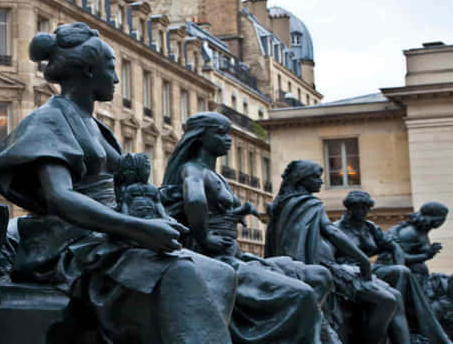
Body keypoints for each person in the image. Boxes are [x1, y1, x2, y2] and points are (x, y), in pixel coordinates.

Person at [0, 23, 237, 344]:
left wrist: (149, 222)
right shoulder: (47, 120)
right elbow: (60, 198)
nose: (117, 80)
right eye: (111, 69)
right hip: (67, 244)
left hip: (107, 238)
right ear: (90, 70)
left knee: (221, 274)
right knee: (180, 273)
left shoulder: (98, 128)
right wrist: (135, 228)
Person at [159, 112, 329, 344]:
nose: (228, 139)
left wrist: (238, 212)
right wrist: (205, 237)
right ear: (200, 136)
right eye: (220, 133)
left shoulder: (215, 174)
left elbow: (209, 208)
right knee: (302, 293)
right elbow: (195, 200)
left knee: (319, 275)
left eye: (228, 132)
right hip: (218, 261)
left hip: (237, 255)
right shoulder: (193, 169)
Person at [266, 160, 411, 344]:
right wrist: (363, 260)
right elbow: (332, 232)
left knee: (392, 297)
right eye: (316, 177)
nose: (321, 182)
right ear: (301, 179)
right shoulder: (309, 203)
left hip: (316, 266)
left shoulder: (285, 204)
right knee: (387, 299)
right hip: (320, 269)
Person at [336, 191, 450, 343]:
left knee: (400, 279)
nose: (363, 212)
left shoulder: (370, 227)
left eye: (366, 208)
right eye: (358, 208)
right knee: (397, 288)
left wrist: (400, 264)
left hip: (371, 271)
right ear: (348, 209)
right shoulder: (336, 228)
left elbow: (393, 247)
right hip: (348, 272)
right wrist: (422, 257)